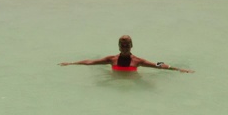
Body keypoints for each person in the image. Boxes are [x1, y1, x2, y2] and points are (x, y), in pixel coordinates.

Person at [59, 35, 194, 73]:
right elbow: (91, 62)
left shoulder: (137, 61)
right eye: (122, 46)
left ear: (131, 46)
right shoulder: (111, 59)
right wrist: (71, 63)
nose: (124, 48)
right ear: (118, 46)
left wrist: (176, 68)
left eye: (127, 46)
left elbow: (157, 64)